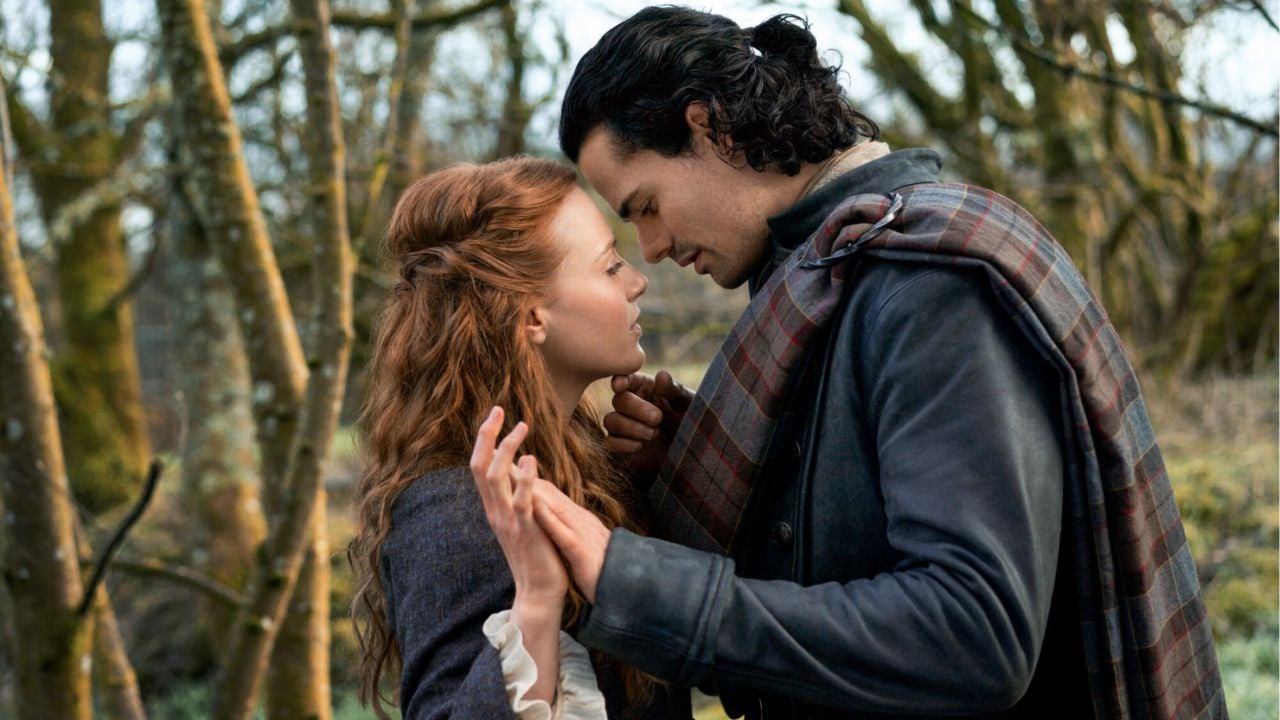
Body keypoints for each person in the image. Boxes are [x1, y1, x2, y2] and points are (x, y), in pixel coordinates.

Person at [526, 7, 1227, 719]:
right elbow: (847, 548)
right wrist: (722, 469)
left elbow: (973, 637)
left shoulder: (926, 287)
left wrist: (639, 586)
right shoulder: (819, 278)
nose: (650, 248)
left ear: (708, 127)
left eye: (646, 206)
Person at [347, 157, 690, 719]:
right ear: (532, 318)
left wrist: (666, 479)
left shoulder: (583, 463)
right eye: (609, 267)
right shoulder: (455, 507)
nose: (637, 280)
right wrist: (536, 603)